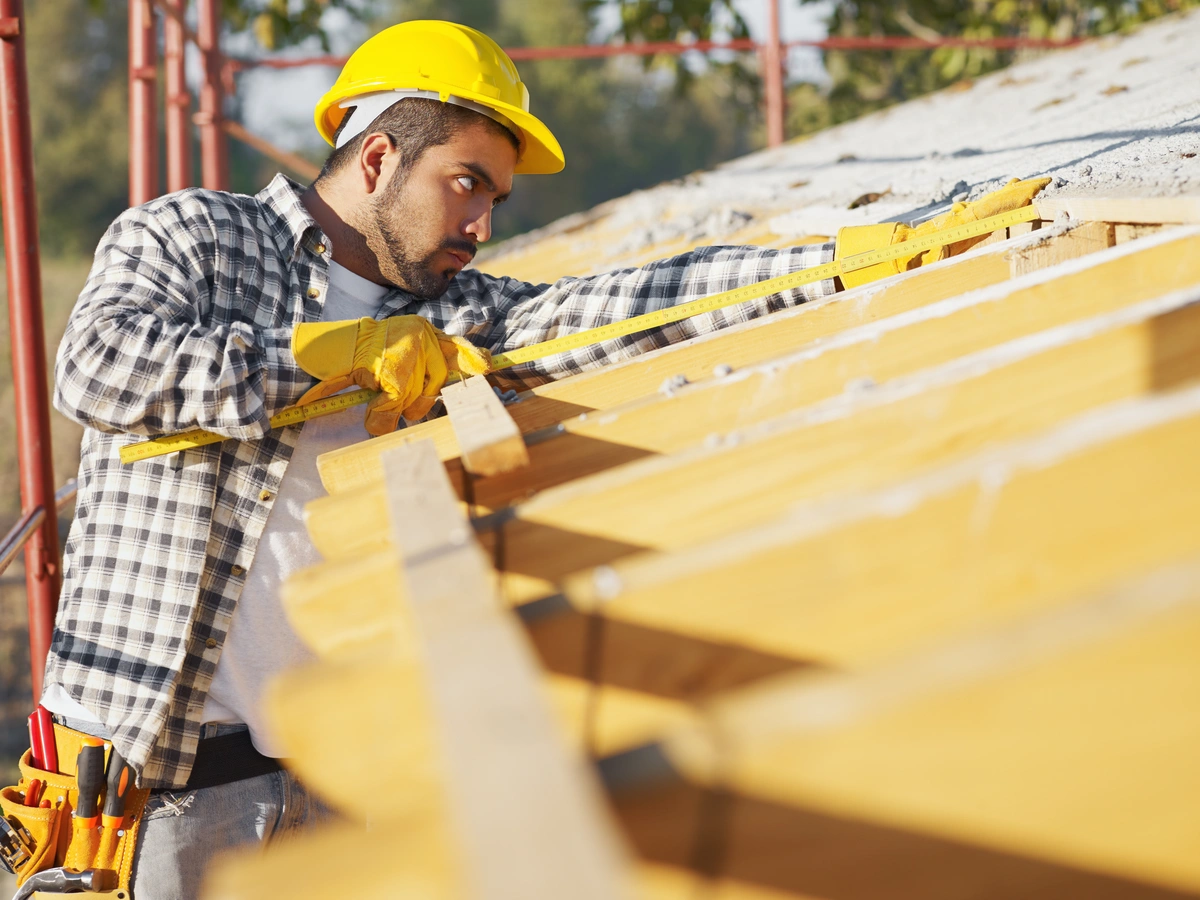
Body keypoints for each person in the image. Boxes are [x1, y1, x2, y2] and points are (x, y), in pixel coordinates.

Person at [36, 18, 1046, 899]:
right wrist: (318, 361)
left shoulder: (453, 314)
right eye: (466, 184)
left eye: (496, 201)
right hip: (146, 785)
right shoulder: (195, 238)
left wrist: (851, 259)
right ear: (379, 158)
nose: (480, 225)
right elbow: (98, 369)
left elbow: (635, 302)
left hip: (337, 776)